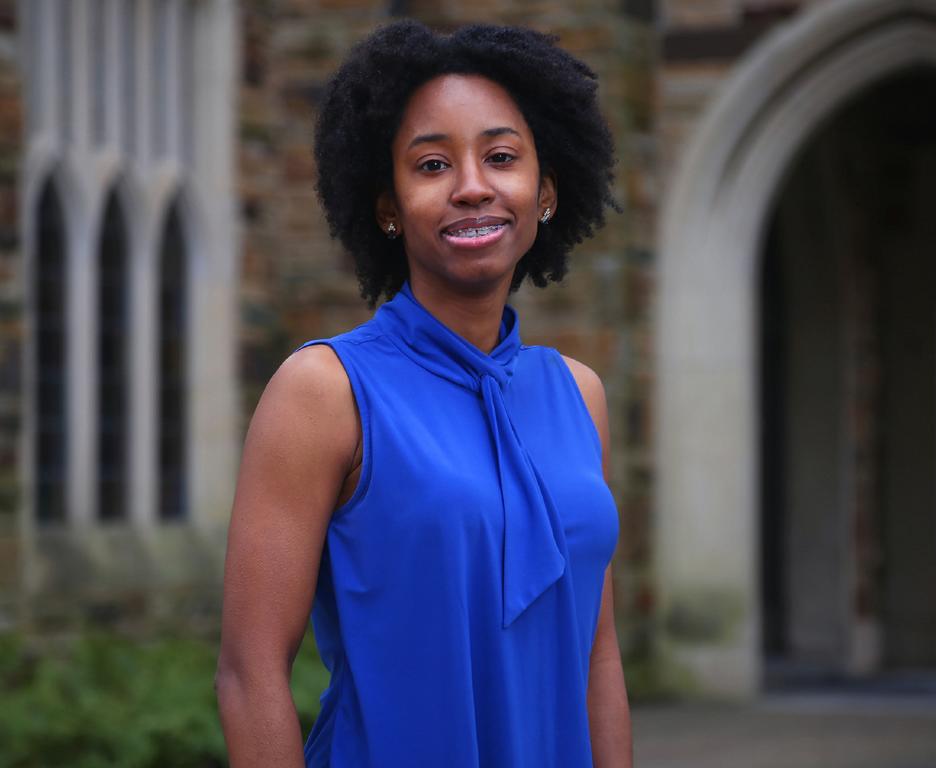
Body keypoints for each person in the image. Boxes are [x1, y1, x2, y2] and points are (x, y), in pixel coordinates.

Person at [216, 19, 631, 768]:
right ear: (388, 205)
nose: (473, 186)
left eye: (501, 158)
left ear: (544, 192)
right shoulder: (326, 391)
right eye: (432, 165)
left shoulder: (579, 395)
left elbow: (597, 659)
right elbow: (251, 674)